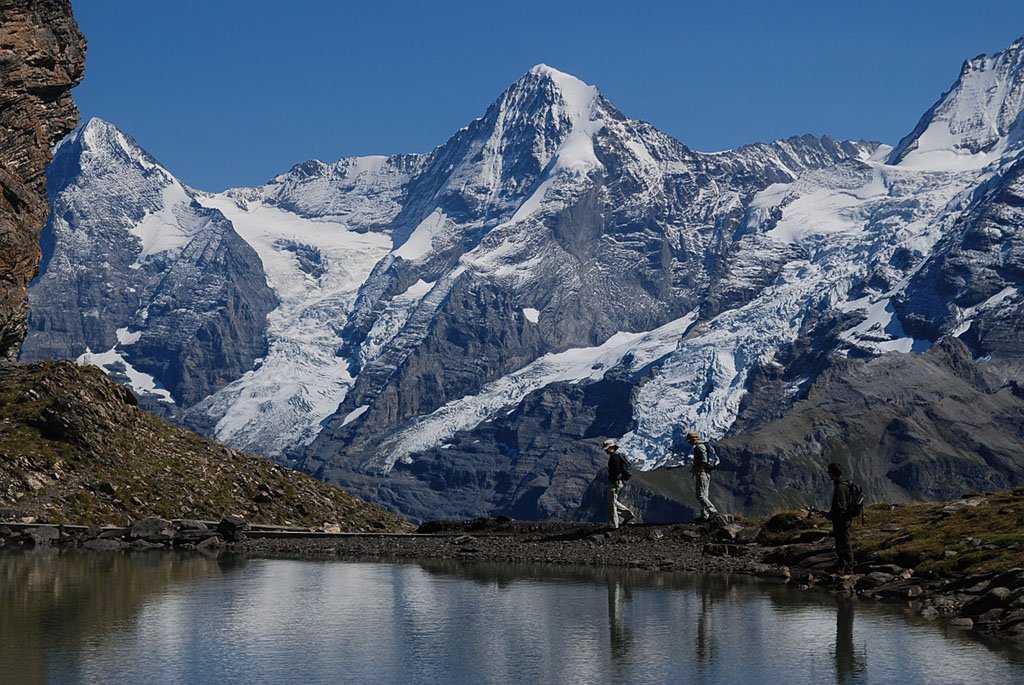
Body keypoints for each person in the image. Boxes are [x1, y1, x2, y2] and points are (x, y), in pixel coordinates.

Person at [825, 462, 855, 575]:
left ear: (833, 473)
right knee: (842, 542)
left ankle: (849, 568)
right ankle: (842, 566)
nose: (829, 474)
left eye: (829, 472)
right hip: (844, 520)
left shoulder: (840, 487)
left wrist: (830, 515)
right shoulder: (845, 485)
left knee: (844, 543)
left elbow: (840, 507)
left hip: (841, 521)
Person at [687, 431, 719, 522]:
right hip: (706, 472)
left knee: (700, 495)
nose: (688, 442)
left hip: (702, 472)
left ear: (693, 439)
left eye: (689, 440)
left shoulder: (699, 447)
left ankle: (713, 512)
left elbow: (704, 460)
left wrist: (699, 469)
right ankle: (705, 516)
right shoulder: (702, 446)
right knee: (704, 495)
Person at [603, 439, 635, 529]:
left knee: (611, 503)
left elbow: (616, 471)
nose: (605, 450)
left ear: (611, 447)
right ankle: (628, 515)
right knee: (612, 501)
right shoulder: (617, 456)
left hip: (615, 482)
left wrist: (615, 481)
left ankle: (614, 524)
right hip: (618, 482)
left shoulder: (614, 457)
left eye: (607, 448)